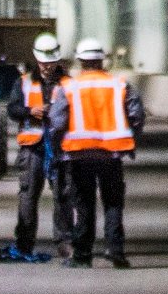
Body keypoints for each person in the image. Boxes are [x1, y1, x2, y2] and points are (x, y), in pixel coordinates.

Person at [52, 40, 143, 268]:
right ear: (102, 60)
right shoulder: (120, 85)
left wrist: (56, 147)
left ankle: (82, 255)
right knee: (113, 203)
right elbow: (136, 115)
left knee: (84, 205)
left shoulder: (69, 87)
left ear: (80, 61)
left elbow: (57, 121)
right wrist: (130, 140)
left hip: (79, 155)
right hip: (111, 155)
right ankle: (115, 250)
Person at [5, 31, 67, 257]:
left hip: (61, 148)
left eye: (51, 63)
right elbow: (12, 109)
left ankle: (64, 242)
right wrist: (30, 111)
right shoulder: (23, 82)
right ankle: (24, 242)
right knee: (28, 195)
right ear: (37, 59)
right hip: (33, 148)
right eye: (43, 62)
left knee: (62, 195)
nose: (47, 67)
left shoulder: (68, 83)